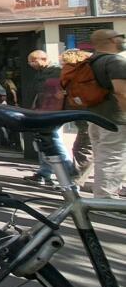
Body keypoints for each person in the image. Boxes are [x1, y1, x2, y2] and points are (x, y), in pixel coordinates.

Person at [81, 29, 126, 199]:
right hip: (116, 118)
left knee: (103, 156)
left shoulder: (91, 61)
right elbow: (122, 92)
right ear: (112, 40)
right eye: (120, 36)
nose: (122, 39)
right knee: (113, 157)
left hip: (95, 117)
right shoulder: (115, 61)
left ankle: (105, 194)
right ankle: (105, 199)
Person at [22, 50, 75, 187]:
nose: (31, 64)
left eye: (33, 61)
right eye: (30, 61)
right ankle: (45, 173)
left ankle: (68, 175)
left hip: (52, 111)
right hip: (44, 111)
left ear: (43, 59)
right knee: (44, 141)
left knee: (53, 141)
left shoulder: (57, 71)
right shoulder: (42, 73)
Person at [61, 48, 94, 187]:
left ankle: (76, 180)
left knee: (84, 147)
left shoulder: (76, 75)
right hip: (91, 114)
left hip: (86, 115)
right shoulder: (89, 72)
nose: (62, 65)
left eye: (63, 62)